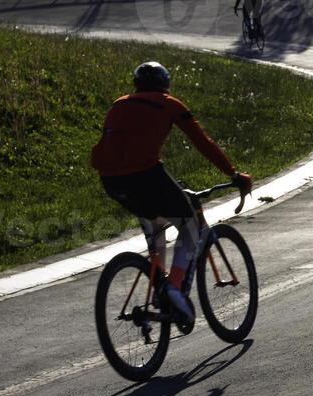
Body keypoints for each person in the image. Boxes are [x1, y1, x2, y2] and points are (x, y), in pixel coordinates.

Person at [90, 61, 252, 328]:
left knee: (154, 220)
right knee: (189, 225)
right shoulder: (169, 103)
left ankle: (159, 283)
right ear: (165, 84)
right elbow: (203, 143)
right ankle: (173, 289)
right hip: (146, 174)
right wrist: (234, 175)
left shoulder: (118, 104)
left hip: (111, 181)